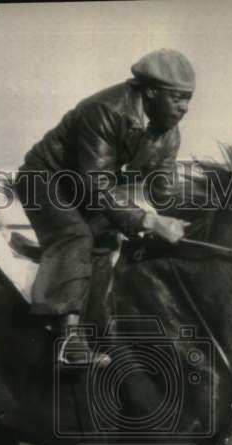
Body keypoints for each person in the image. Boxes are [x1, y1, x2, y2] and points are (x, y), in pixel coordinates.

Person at [14, 49, 194, 367]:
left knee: (106, 243)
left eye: (188, 99)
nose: (184, 107)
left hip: (85, 187)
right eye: (177, 97)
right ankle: (67, 343)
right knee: (76, 235)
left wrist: (196, 216)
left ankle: (92, 332)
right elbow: (96, 185)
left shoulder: (169, 135)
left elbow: (166, 194)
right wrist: (149, 221)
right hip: (45, 180)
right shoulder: (105, 110)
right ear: (151, 91)